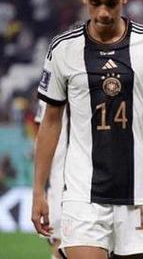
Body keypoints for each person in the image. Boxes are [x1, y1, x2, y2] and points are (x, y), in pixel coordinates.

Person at [31, 0, 143, 259]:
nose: (103, 12)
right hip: (81, 192)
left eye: (111, 3)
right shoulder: (63, 49)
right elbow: (50, 122)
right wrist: (39, 191)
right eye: (95, 3)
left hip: (137, 189)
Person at [33, 100, 68, 259]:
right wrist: (40, 189)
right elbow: (41, 130)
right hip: (60, 180)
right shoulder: (52, 89)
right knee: (60, 243)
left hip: (89, 178)